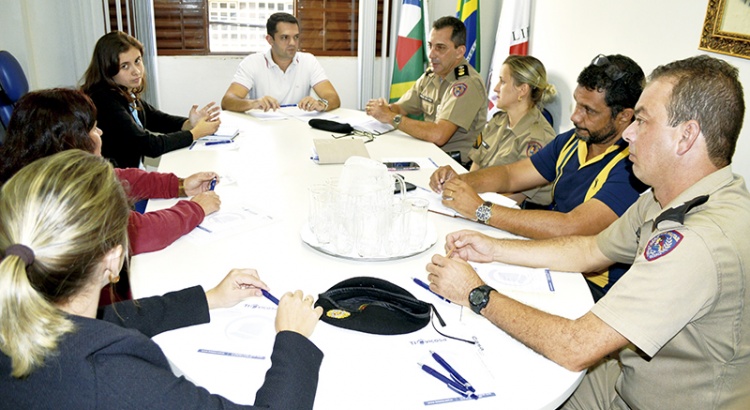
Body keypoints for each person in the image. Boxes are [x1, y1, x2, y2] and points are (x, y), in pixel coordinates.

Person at [426, 55, 750, 409]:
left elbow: (574, 347)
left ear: (685, 136)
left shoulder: (697, 241)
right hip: (626, 376)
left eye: (641, 121)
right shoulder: (665, 197)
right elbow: (591, 249)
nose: (628, 133)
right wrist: (493, 249)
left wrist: (476, 293)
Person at [0, 150, 325, 408]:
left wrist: (210, 298)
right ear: (113, 259)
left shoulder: (19, 313)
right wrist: (292, 338)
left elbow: (107, 319)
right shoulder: (114, 378)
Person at [430, 54, 649, 299]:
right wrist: (459, 181)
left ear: (624, 116)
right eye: (577, 104)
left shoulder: (632, 166)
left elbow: (572, 226)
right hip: (550, 255)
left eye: (589, 110)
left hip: (590, 285)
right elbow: (511, 175)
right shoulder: (573, 140)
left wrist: (481, 209)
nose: (575, 117)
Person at [0, 88, 221, 303]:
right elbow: (139, 232)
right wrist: (196, 208)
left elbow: (119, 178)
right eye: (94, 129)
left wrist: (180, 185)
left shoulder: (35, 169)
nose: (100, 133)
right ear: (71, 141)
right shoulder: (63, 199)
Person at [81, 31, 221, 169]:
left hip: (131, 174)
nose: (136, 71)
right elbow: (148, 145)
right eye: (125, 66)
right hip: (114, 184)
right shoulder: (103, 100)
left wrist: (190, 124)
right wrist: (195, 133)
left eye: (137, 61)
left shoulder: (123, 91)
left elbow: (157, 119)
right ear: (108, 69)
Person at [365, 16, 487, 165]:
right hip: (428, 154)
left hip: (454, 165)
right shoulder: (432, 75)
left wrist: (391, 117)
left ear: (459, 52)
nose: (431, 54)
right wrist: (385, 109)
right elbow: (402, 107)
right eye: (430, 46)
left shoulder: (466, 83)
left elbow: (439, 135)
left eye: (440, 48)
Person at [466, 55, 557, 206]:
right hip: (480, 200)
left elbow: (516, 197)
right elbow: (477, 163)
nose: (495, 88)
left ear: (522, 90)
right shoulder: (498, 121)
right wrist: (464, 189)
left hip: (513, 212)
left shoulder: (539, 138)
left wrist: (472, 204)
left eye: (502, 81)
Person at [221, 12, 341, 113]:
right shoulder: (252, 62)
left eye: (296, 37)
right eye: (285, 37)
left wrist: (322, 103)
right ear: (270, 40)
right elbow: (227, 101)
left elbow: (333, 97)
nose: (292, 43)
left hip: (298, 126)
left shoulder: (308, 61)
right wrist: (253, 103)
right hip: (264, 127)